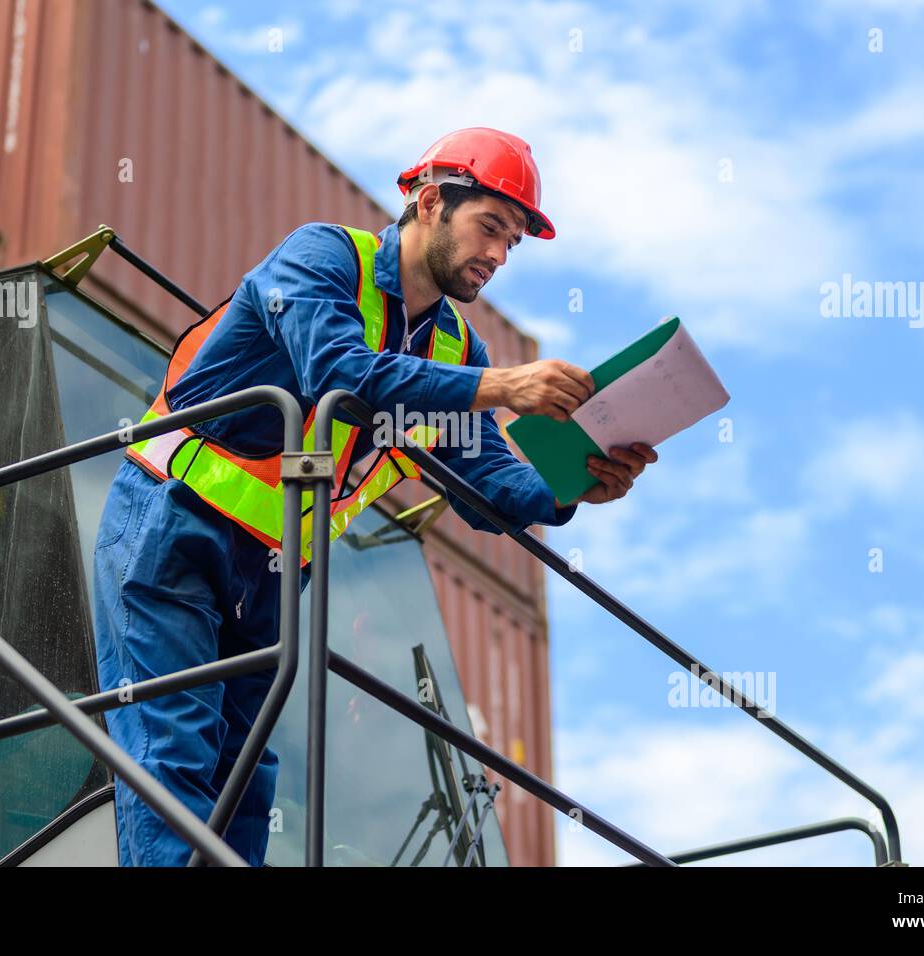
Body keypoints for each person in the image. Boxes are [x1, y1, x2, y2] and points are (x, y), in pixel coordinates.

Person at [91, 127, 657, 866]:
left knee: (246, 785)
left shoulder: (457, 350)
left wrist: (575, 483)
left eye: (513, 243)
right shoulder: (322, 258)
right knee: (172, 760)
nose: (497, 255)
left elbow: (487, 489)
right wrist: (504, 388)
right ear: (429, 203)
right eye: (490, 226)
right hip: (172, 527)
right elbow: (341, 373)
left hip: (270, 575)